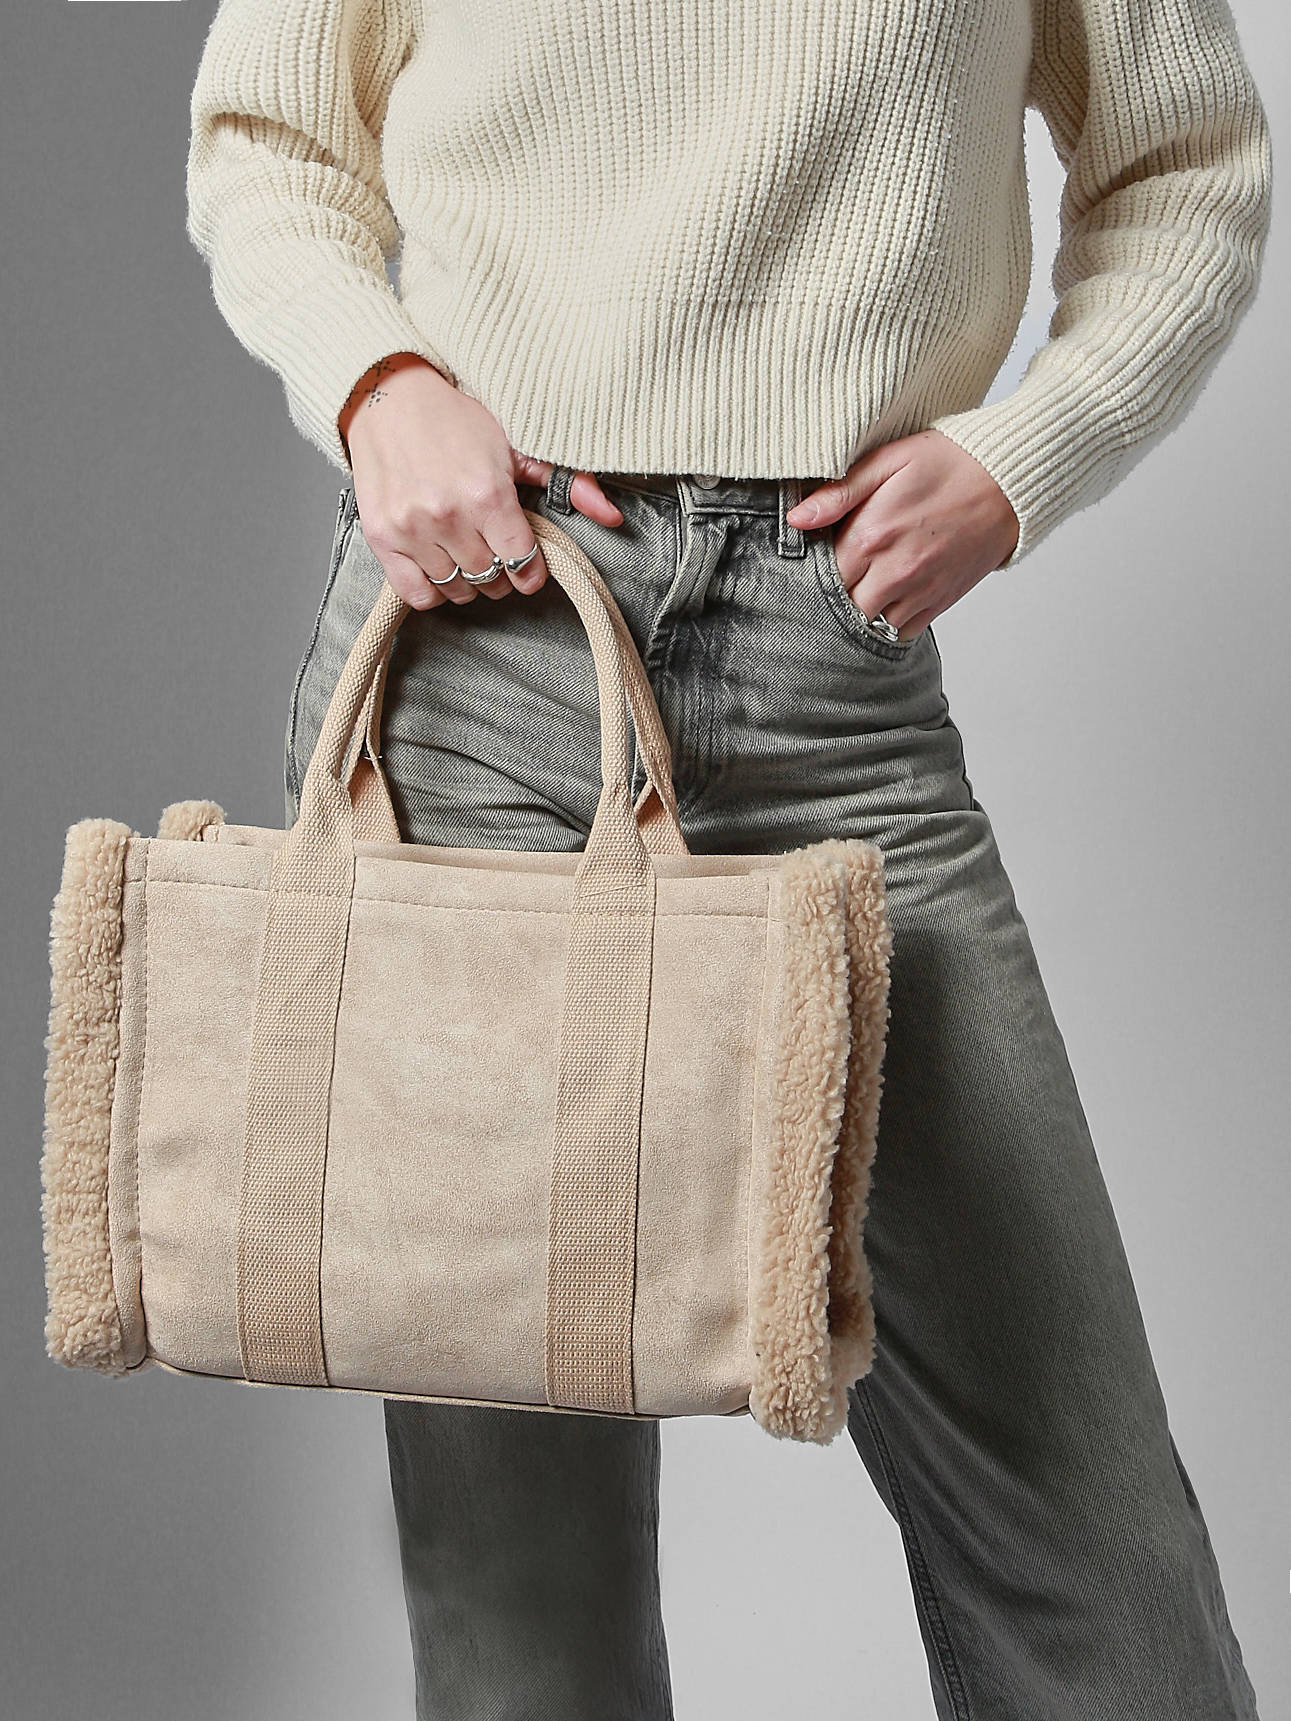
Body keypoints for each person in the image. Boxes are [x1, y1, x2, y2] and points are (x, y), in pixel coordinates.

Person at [185, 0, 1273, 1715]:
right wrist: (378, 384)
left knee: (1092, 1556)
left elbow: (1187, 163)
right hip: (483, 650)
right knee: (525, 1599)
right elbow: (271, 133)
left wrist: (1023, 456)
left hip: (831, 676)